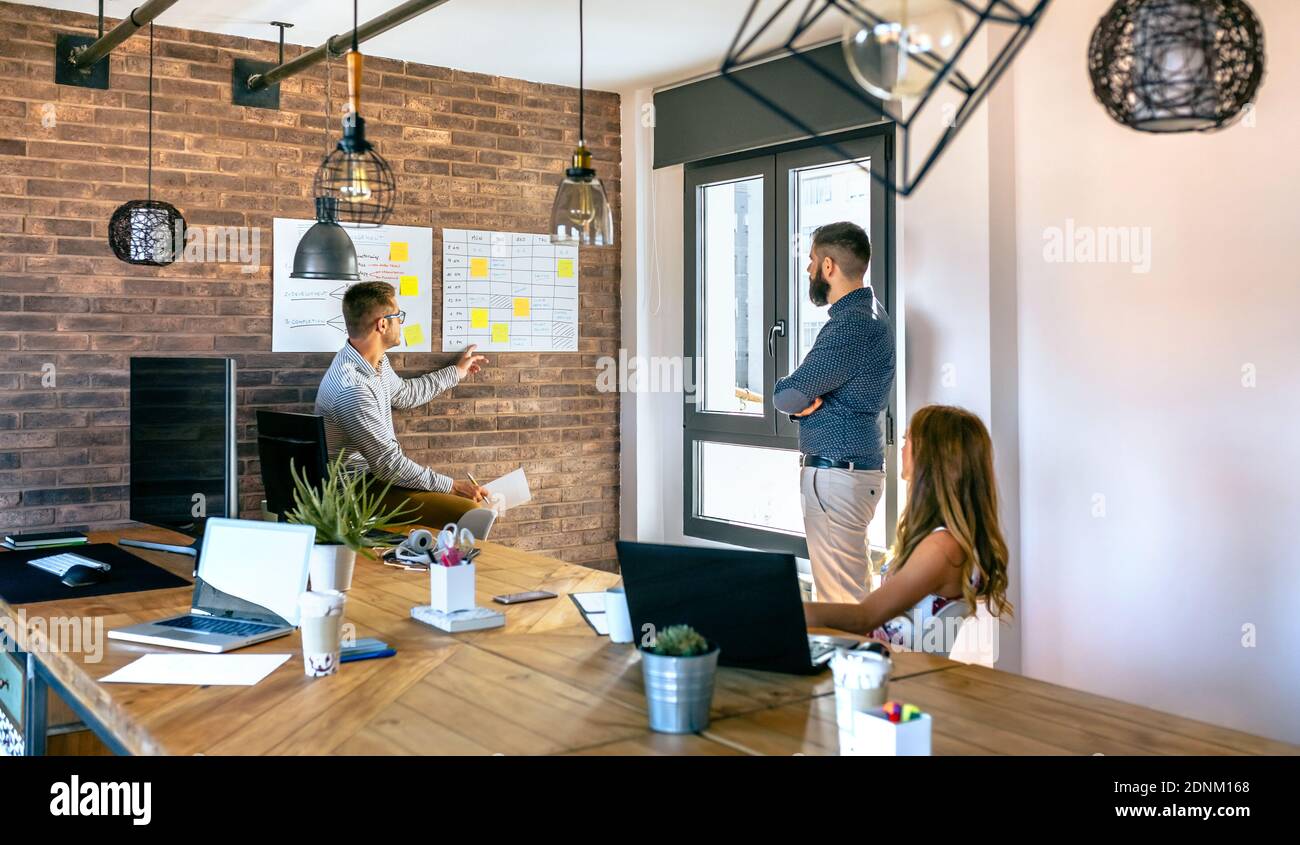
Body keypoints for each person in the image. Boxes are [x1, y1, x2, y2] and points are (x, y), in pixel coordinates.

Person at [804, 405, 1012, 654]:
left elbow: (865, 617)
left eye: (908, 440)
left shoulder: (943, 547)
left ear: (932, 457)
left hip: (893, 671)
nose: (901, 449)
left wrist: (791, 611)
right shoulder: (947, 540)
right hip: (886, 662)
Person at [773, 221, 895, 603]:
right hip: (848, 472)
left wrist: (797, 402)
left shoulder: (852, 326)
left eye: (811, 261)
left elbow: (788, 394)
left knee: (842, 602)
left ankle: (855, 663)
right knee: (847, 591)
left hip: (838, 474)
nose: (808, 270)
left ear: (829, 266)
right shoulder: (869, 315)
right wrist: (804, 404)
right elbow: (801, 397)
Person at [315, 281, 489, 528]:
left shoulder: (373, 363)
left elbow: (405, 394)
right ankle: (448, 566)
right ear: (382, 324)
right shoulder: (352, 389)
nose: (401, 322)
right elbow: (389, 465)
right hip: (356, 492)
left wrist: (456, 372)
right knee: (470, 511)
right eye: (398, 316)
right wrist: (453, 486)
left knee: (467, 508)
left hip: (375, 480)